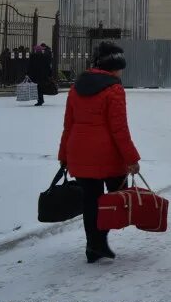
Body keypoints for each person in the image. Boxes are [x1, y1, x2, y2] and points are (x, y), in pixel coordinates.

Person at [58, 42, 140, 263]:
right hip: (107, 154)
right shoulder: (114, 89)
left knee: (91, 200)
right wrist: (131, 158)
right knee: (114, 196)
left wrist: (64, 154)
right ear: (114, 67)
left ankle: (93, 245)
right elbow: (119, 129)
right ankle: (99, 241)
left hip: (79, 151)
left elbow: (68, 124)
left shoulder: (76, 87)